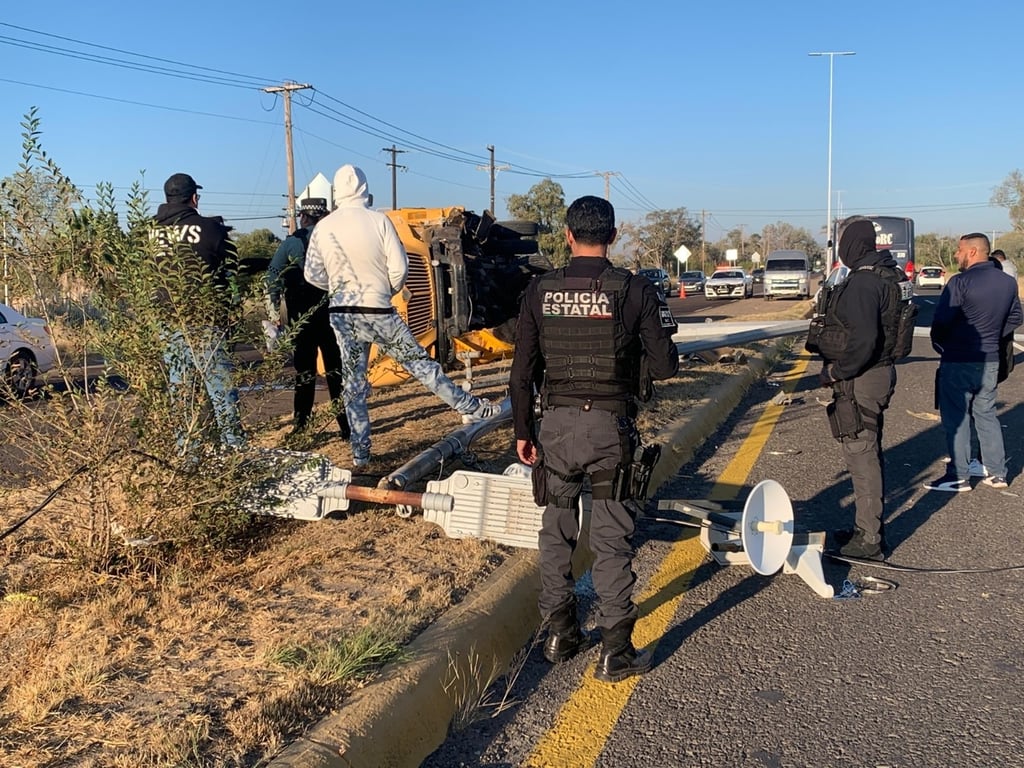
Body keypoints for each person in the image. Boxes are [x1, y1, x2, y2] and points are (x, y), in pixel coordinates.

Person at [509, 195, 679, 683]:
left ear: (567, 235)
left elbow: (522, 371)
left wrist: (524, 431)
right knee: (611, 538)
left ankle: (561, 633)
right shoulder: (635, 290)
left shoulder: (540, 290)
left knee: (556, 529)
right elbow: (666, 366)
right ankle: (615, 650)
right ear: (612, 236)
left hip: (555, 428)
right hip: (610, 427)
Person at [303, 164, 499, 468]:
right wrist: (385, 289)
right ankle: (469, 405)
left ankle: (360, 451)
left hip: (343, 313)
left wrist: (339, 288)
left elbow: (312, 274)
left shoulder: (324, 228)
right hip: (379, 311)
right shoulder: (379, 221)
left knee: (353, 383)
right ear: (365, 190)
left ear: (337, 193)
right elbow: (400, 269)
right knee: (421, 365)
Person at [807, 217, 911, 560]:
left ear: (851, 244)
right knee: (867, 451)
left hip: (862, 378)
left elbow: (863, 340)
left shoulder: (864, 284)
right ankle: (865, 527)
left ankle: (869, 539)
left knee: (861, 457)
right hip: (878, 373)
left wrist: (836, 371)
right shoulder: (886, 275)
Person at [153, 172, 246, 452]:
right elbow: (231, 274)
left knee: (183, 396)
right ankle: (234, 457)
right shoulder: (210, 229)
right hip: (206, 323)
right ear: (194, 198)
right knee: (222, 393)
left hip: (167, 323)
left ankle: (188, 457)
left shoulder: (148, 232)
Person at [926, 233, 1022, 492]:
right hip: (990, 357)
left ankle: (958, 474)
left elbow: (942, 321)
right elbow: (1015, 317)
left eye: (959, 250)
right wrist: (993, 333)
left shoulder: (960, 282)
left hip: (959, 357)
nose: (956, 255)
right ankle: (997, 471)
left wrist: (943, 343)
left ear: (972, 252)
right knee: (986, 413)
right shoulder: (1007, 282)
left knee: (957, 417)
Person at [266, 198, 350, 441]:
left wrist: (274, 304)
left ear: (303, 216)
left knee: (305, 372)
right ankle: (345, 425)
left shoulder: (292, 243)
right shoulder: (336, 241)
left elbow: (272, 274)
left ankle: (301, 426)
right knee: (336, 371)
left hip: (301, 319)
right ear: (324, 216)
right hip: (332, 316)